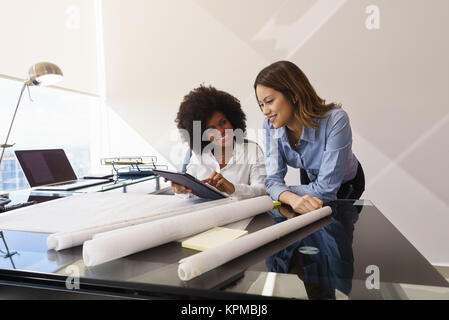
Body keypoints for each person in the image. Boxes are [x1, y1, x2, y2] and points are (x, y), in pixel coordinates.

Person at [255, 61, 365, 213]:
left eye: (269, 101)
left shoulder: (336, 120)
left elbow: (326, 189)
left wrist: (281, 192)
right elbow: (273, 179)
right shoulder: (269, 125)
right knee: (312, 230)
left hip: (346, 183)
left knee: (338, 231)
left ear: (293, 95)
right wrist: (290, 197)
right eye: (261, 104)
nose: (265, 111)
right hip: (310, 177)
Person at [171, 85, 267, 199]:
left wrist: (232, 188)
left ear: (232, 120)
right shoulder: (198, 155)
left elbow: (263, 190)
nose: (221, 131)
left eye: (223, 122)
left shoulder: (252, 150)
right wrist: (181, 190)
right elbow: (189, 193)